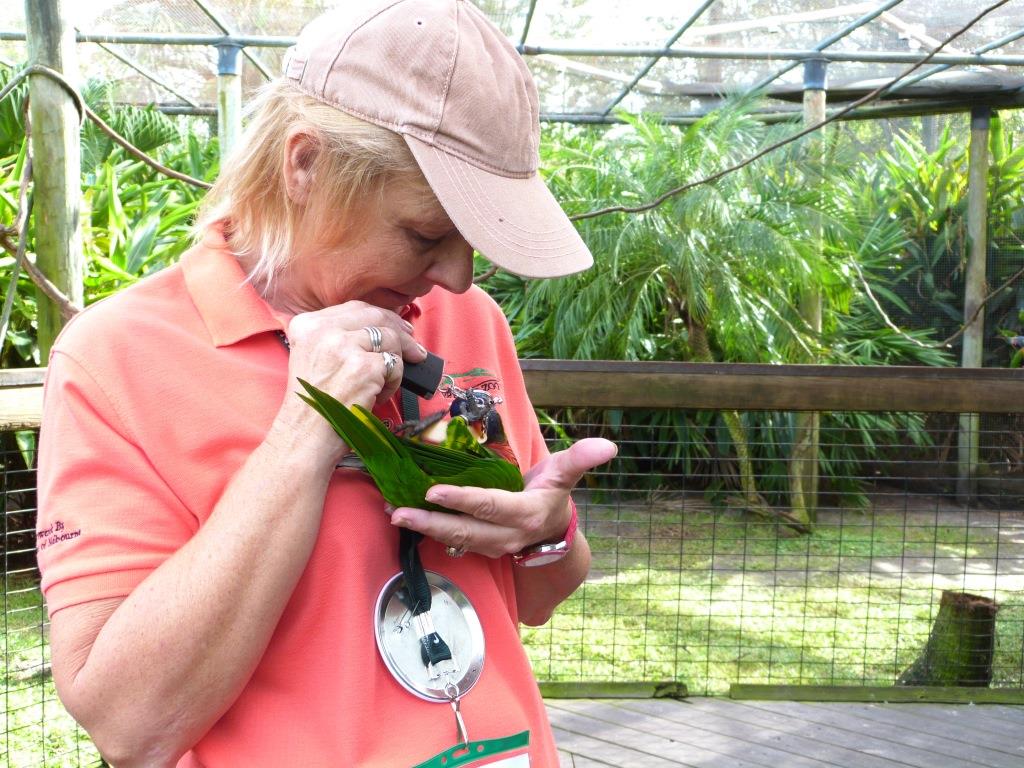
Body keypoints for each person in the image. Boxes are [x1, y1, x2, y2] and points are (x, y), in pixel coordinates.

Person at [35, 0, 617, 766]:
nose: (457, 277)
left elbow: (535, 600)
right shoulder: (115, 358)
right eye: (425, 234)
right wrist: (307, 428)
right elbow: (130, 726)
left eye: (471, 242)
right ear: (304, 164)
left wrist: (547, 532)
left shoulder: (469, 324)